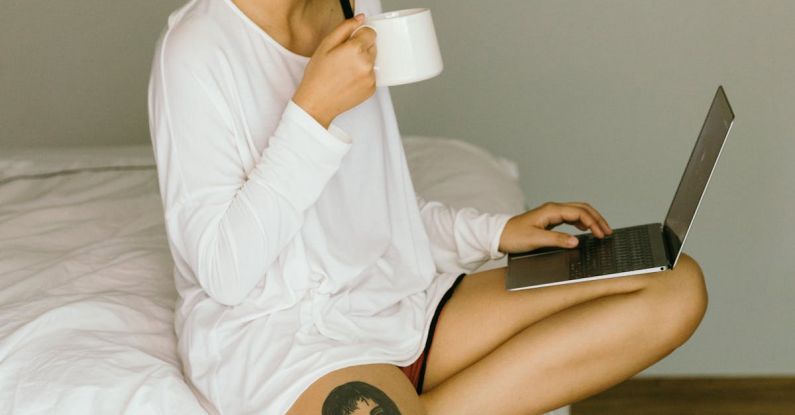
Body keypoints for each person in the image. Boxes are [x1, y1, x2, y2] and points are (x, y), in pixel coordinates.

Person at [147, 0, 708, 413]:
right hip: (286, 340)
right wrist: (312, 110)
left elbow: (371, 207)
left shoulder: (354, 10)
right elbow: (223, 270)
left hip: (403, 304)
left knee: (674, 285)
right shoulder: (196, 49)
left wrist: (495, 233)